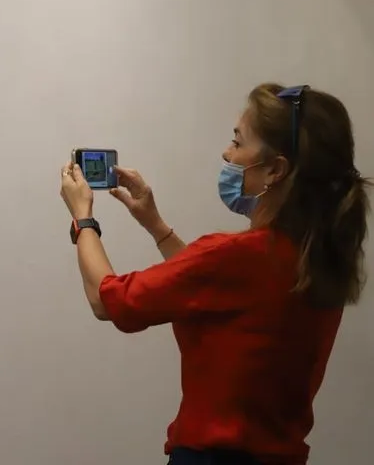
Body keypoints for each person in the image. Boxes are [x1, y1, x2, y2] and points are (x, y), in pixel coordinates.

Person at [59, 83, 369, 465]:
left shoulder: (240, 256)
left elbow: (108, 300)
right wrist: (155, 224)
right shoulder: (314, 258)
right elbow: (213, 288)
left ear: (275, 169)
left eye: (237, 142)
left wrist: (83, 218)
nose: (226, 153)